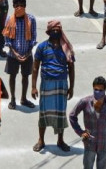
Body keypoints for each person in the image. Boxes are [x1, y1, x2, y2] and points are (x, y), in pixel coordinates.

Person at [31, 20, 75, 153]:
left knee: (60, 113)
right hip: (46, 84)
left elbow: (71, 68)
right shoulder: (42, 47)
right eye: (53, 30)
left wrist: (71, 87)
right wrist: (33, 86)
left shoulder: (66, 47)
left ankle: (60, 140)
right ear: (49, 32)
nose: (56, 32)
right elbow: (35, 67)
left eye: (58, 30)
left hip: (62, 84)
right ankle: (41, 140)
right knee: (43, 113)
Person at [69, 76, 106, 169]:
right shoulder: (85, 102)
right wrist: (80, 132)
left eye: (100, 90)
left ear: (105, 90)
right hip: (89, 143)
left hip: (105, 143)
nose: (98, 92)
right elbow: (72, 115)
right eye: (96, 89)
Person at [2, 0, 37, 110]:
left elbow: (33, 38)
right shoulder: (9, 19)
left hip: (27, 54)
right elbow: (7, 39)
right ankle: (12, 99)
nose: (19, 8)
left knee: (25, 76)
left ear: (25, 6)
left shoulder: (31, 19)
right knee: (12, 76)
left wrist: (27, 53)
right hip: (13, 55)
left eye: (21, 5)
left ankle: (23, 98)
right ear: (13, 6)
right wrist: (16, 54)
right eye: (17, 5)